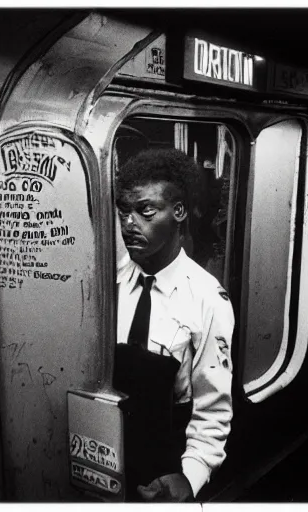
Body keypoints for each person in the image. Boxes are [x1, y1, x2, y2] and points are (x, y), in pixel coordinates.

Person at [114, 148, 234, 502]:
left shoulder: (207, 300)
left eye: (145, 211)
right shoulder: (109, 280)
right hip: (109, 449)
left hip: (167, 459)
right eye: (124, 212)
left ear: (178, 212)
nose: (128, 224)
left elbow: (213, 408)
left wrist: (190, 476)